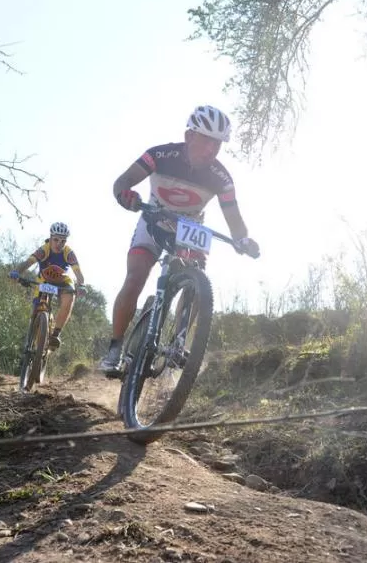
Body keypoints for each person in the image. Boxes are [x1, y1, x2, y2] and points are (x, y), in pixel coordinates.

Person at [97, 105, 260, 376]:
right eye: (206, 140)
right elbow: (123, 180)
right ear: (189, 136)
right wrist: (125, 194)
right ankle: (115, 347)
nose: (211, 150)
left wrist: (243, 240)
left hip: (191, 227)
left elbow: (234, 220)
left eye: (217, 144)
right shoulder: (160, 155)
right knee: (135, 277)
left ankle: (178, 342)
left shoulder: (221, 177)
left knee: (198, 280)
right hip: (153, 218)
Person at [9, 222, 86, 348]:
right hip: (44, 280)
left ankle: (55, 334)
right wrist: (16, 272)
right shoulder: (44, 249)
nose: (59, 244)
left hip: (63, 282)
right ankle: (30, 339)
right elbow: (28, 262)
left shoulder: (68, 252)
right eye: (56, 240)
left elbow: (78, 272)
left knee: (69, 299)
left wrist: (81, 285)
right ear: (50, 237)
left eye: (63, 241)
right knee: (36, 308)